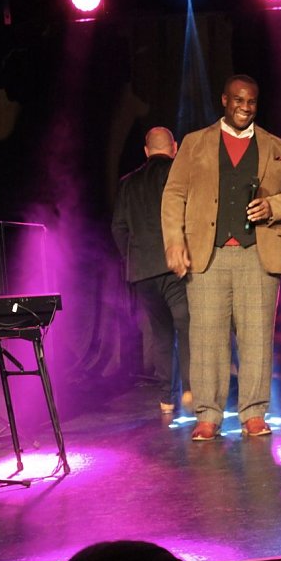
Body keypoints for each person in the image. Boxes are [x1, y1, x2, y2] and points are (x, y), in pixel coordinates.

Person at [161, 74, 281, 440]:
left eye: (251, 101)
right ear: (225, 100)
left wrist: (273, 205)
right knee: (207, 337)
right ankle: (208, 415)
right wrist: (174, 242)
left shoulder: (275, 145)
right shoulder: (196, 143)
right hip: (208, 254)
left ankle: (254, 413)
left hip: (258, 254)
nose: (245, 107)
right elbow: (174, 194)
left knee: (256, 337)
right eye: (238, 100)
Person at [112, 126, 191, 414]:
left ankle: (167, 398)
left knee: (160, 333)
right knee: (186, 326)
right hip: (175, 266)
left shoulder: (127, 183)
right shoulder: (178, 174)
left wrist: (132, 259)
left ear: (146, 151)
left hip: (142, 271)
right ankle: (191, 391)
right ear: (175, 147)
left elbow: (118, 228)